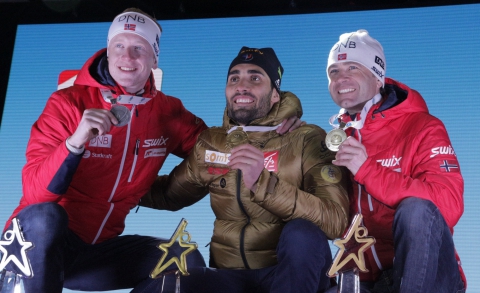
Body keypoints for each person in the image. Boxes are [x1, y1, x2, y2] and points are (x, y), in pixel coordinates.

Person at [137, 46, 351, 293]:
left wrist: (264, 184)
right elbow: (168, 194)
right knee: (167, 284)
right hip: (230, 277)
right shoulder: (212, 142)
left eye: (255, 78)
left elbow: (336, 221)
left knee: (302, 233)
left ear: (274, 94)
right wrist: (115, 184)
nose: (242, 85)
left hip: (287, 275)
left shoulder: (307, 139)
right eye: (234, 78)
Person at [323, 30, 465, 293]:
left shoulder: (424, 127)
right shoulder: (336, 139)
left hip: (430, 277)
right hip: (362, 278)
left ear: (378, 78)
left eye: (353, 67)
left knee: (417, 209)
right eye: (333, 71)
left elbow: (448, 205)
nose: (341, 77)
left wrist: (368, 171)